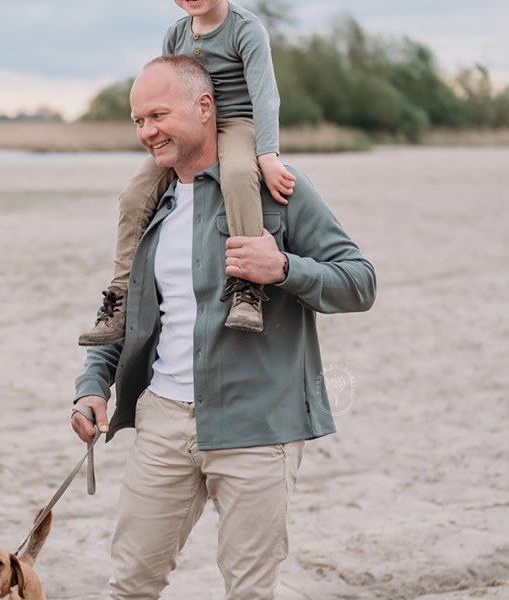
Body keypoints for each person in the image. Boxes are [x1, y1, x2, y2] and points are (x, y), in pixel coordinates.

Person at [70, 55, 376, 600]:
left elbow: (360, 282)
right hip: (162, 422)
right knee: (129, 587)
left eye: (158, 115)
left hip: (258, 426)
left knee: (250, 593)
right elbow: (129, 308)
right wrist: (94, 384)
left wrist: (282, 267)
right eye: (138, 120)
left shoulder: (274, 187)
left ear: (205, 107)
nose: (146, 132)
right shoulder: (148, 203)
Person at [78, 0, 294, 345]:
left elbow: (264, 95)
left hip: (236, 123)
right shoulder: (175, 34)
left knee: (239, 174)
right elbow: (167, 86)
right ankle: (121, 297)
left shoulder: (245, 29)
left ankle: (247, 288)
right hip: (190, 128)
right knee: (134, 194)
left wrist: (267, 155)